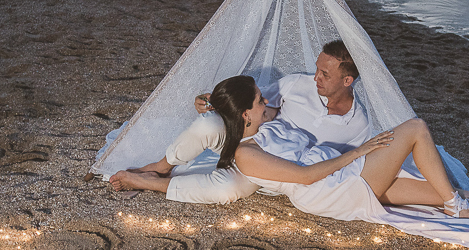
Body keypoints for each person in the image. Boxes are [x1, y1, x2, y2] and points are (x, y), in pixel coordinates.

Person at [210, 75, 469, 225]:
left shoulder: (264, 124)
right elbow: (304, 176)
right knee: (415, 129)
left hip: (340, 174)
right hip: (327, 189)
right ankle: (457, 209)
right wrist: (360, 150)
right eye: (259, 100)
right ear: (245, 115)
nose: (266, 100)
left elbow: (253, 103)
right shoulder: (246, 153)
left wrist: (210, 103)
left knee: (443, 190)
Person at [109, 40, 369, 203]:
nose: (315, 78)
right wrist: (211, 103)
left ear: (347, 81)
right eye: (316, 70)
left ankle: (150, 183)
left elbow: (343, 164)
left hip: (271, 167)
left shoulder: (358, 124)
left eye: (324, 74)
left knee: (227, 191)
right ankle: (162, 165)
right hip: (248, 134)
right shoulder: (296, 85)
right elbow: (251, 103)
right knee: (208, 124)